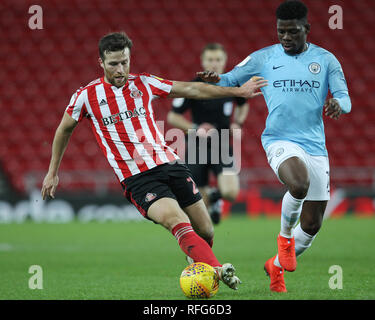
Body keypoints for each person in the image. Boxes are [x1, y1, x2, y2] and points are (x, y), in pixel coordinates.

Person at [41, 32, 267, 290]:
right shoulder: (86, 96)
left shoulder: (145, 83)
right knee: (177, 221)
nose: (120, 68)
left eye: (125, 61)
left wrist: (237, 90)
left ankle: (198, 261)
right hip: (138, 178)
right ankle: (217, 269)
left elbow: (192, 88)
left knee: (206, 231)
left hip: (169, 164)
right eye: (113, 63)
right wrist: (52, 172)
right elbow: (63, 129)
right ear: (101, 63)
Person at [198, 0, 351, 292]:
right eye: (281, 32)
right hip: (279, 139)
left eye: (292, 32)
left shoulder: (327, 60)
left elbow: (345, 97)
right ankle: (284, 239)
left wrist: (337, 104)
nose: (286, 37)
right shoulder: (264, 57)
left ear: (306, 29)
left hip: (315, 146)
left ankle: (275, 265)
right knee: (298, 183)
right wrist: (215, 79)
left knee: (312, 225)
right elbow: (230, 78)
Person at [167, 43, 249, 225]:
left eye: (218, 59)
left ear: (225, 61)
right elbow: (173, 116)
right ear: (203, 62)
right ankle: (210, 205)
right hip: (198, 147)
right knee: (199, 201)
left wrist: (238, 122)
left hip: (221, 144)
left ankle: (216, 197)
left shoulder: (233, 84)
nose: (214, 64)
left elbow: (243, 105)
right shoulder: (192, 87)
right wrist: (196, 128)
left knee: (231, 192)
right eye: (210, 60)